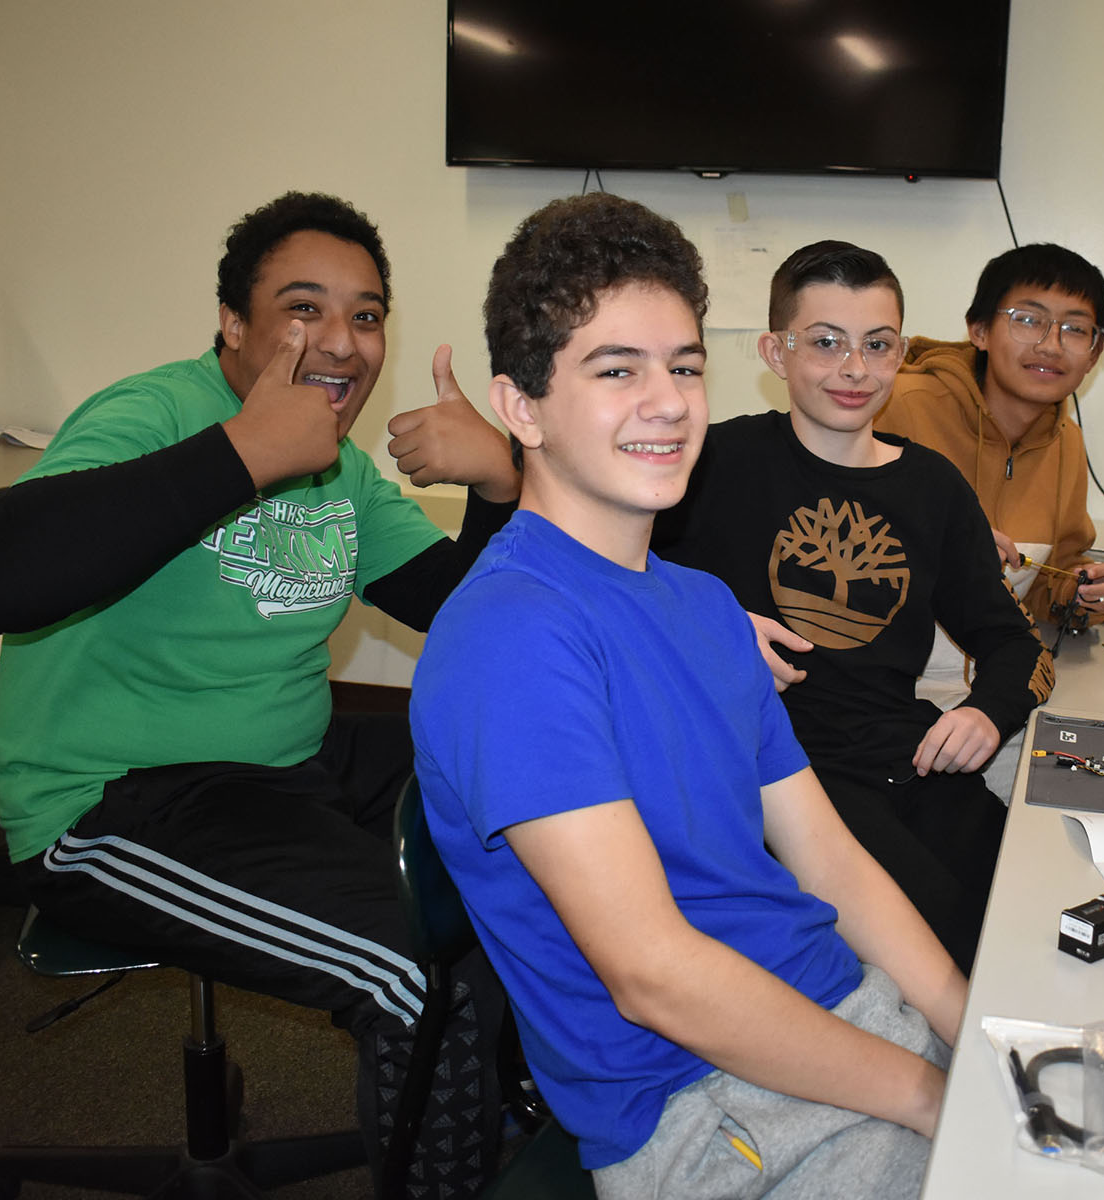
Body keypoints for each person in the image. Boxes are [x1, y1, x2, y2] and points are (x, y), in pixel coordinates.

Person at [0, 192, 519, 1195]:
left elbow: (469, 619)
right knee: (415, 977)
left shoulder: (336, 465)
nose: (341, 342)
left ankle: (488, 1112)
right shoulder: (155, 413)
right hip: (116, 800)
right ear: (233, 324)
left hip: (281, 765)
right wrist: (246, 450)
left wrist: (501, 488)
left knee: (542, 805)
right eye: (304, 308)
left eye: (367, 313)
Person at [410, 194, 966, 1199]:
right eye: (616, 369)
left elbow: (829, 856)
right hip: (708, 1105)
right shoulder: (512, 636)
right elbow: (654, 974)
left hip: (838, 1019)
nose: (668, 401)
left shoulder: (706, 605)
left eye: (685, 366)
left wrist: (975, 1033)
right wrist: (937, 1097)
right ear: (521, 407)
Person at [652, 241, 1053, 973]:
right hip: (785, 780)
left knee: (1034, 925)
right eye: (826, 343)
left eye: (878, 345)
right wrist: (712, 627)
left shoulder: (933, 488)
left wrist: (986, 713)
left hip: (914, 761)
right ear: (776, 351)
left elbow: (1013, 644)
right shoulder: (710, 462)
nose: (854, 369)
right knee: (946, 951)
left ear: (902, 352)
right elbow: (605, 583)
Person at [877, 243, 1104, 624]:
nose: (1051, 345)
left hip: (993, 670)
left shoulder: (1067, 442)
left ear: (1094, 354)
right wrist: (938, 549)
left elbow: (1046, 585)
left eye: (1076, 329)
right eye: (1028, 320)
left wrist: (1084, 594)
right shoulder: (894, 406)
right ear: (980, 330)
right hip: (883, 669)